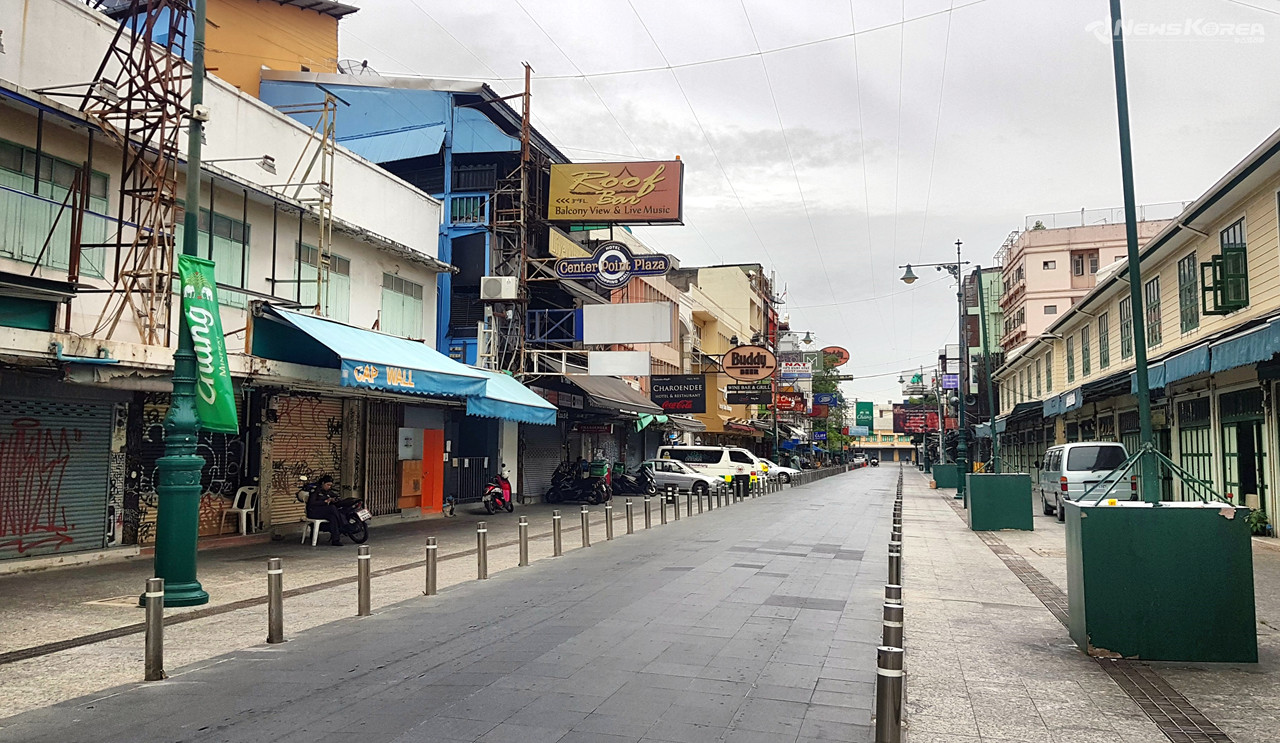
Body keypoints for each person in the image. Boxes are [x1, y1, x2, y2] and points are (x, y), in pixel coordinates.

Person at [306, 475, 345, 546]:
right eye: (327, 485)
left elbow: (335, 496)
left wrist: (334, 499)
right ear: (323, 483)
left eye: (330, 485)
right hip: (313, 511)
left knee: (333, 517)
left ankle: (335, 540)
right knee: (332, 508)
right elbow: (312, 503)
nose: (329, 487)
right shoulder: (315, 490)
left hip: (323, 511)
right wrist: (324, 501)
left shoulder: (327, 491)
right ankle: (343, 524)